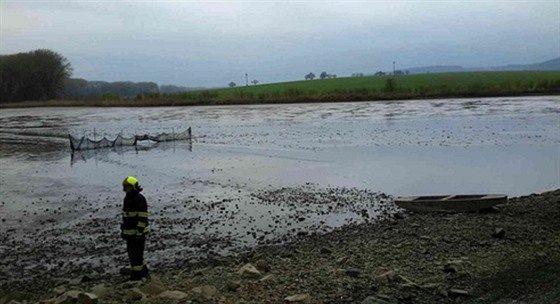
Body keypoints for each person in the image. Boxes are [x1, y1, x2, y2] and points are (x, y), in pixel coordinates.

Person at [121, 176, 150, 280]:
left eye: (128, 187)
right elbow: (125, 216)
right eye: (126, 187)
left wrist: (139, 232)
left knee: (137, 255)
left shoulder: (140, 199)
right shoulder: (127, 198)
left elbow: (143, 217)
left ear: (134, 187)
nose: (126, 189)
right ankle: (141, 272)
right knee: (132, 255)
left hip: (138, 233)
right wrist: (123, 231)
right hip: (129, 233)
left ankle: (137, 276)